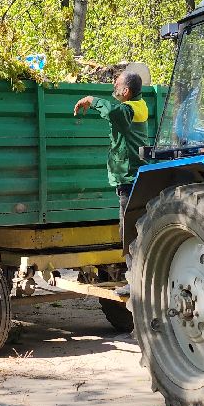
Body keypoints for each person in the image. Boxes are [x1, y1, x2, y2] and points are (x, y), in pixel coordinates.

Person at [75, 70, 148, 304]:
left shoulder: (127, 110)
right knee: (135, 230)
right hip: (136, 176)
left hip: (129, 178)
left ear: (126, 91)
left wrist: (91, 100)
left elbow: (114, 111)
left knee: (129, 232)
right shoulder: (140, 105)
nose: (113, 87)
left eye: (116, 84)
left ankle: (135, 282)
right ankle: (139, 279)